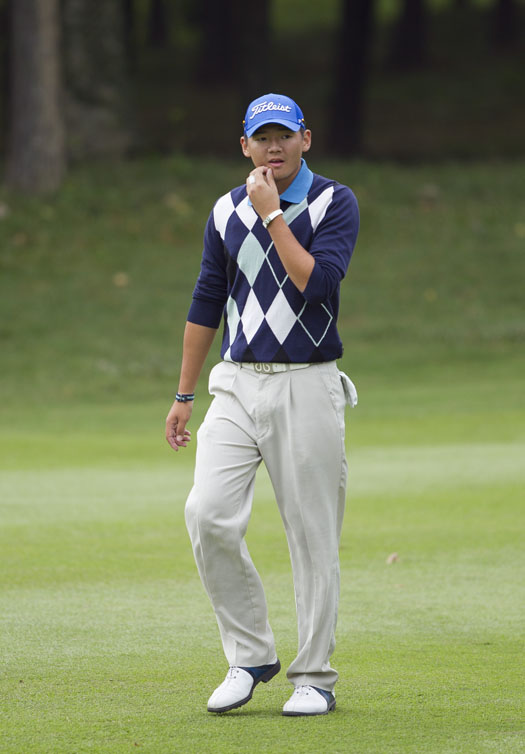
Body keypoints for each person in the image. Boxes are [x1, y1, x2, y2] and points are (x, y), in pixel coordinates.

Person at [165, 93, 359, 716]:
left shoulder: (334, 202)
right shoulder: (225, 210)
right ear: (244, 145)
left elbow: (316, 283)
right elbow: (206, 299)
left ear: (307, 138)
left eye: (284, 135)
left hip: (308, 382)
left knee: (312, 535)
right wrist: (183, 394)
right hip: (236, 383)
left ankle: (315, 677)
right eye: (261, 137)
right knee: (207, 513)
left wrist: (273, 215)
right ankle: (250, 655)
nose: (273, 147)